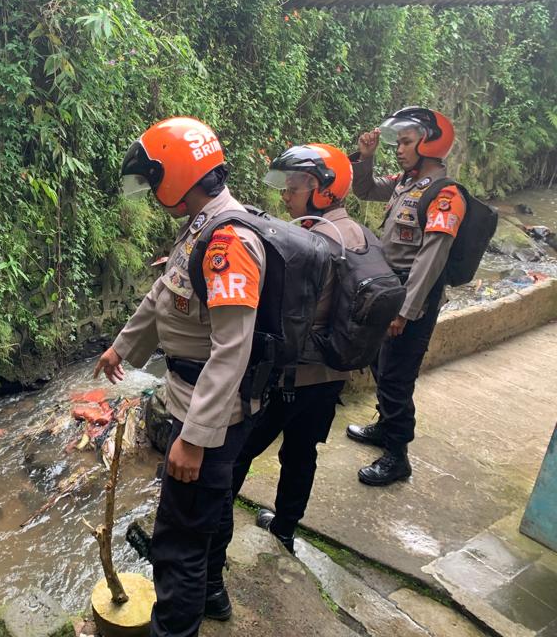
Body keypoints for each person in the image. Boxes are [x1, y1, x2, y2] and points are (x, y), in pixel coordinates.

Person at [94, 116, 266, 635]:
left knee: (179, 544)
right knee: (200, 522)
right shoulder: (200, 226)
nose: (150, 191)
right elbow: (164, 295)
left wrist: (193, 438)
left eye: (154, 179)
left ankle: (174, 628)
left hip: (208, 415)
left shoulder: (228, 243)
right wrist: (122, 348)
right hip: (188, 399)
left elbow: (232, 351)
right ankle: (211, 600)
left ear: (177, 174)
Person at [224, 144, 364, 553]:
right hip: (332, 371)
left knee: (239, 451)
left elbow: (281, 313)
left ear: (322, 189)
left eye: (294, 187)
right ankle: (285, 527)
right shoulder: (354, 232)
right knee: (301, 452)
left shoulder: (308, 241)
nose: (285, 196)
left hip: (292, 372)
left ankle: (212, 540)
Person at [347, 107, 465, 486]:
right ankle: (385, 426)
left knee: (397, 377)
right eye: (398, 142)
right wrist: (365, 159)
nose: (398, 149)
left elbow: (431, 259)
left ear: (430, 144)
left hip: (415, 295)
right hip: (390, 288)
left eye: (406, 142)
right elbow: (364, 190)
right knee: (381, 364)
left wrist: (406, 311)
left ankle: (397, 457)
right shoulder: (406, 183)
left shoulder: (445, 195)